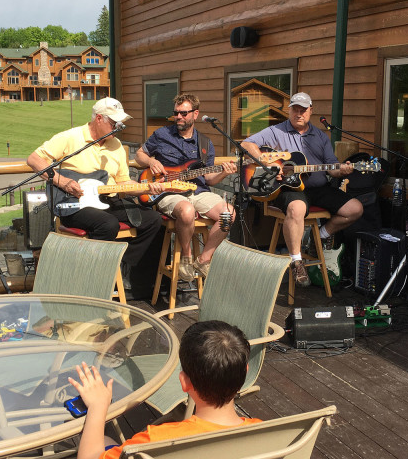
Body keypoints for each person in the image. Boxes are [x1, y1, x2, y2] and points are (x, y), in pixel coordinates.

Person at [69, 320, 260, 459]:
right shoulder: (263, 433)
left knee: (104, 439)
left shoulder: (156, 441)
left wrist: (97, 407)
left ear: (184, 382)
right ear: (245, 373)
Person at [27, 97, 163, 279]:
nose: (118, 128)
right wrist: (62, 181)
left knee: (154, 219)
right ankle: (91, 276)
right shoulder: (71, 137)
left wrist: (147, 188)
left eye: (120, 123)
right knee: (108, 224)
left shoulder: (116, 145)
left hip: (109, 201)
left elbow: (123, 183)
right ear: (99, 118)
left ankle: (127, 274)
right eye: (114, 123)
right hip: (76, 203)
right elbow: (34, 159)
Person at [240, 92, 363, 286]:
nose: (299, 113)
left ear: (311, 111)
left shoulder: (321, 136)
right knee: (296, 208)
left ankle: (319, 237)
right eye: (295, 109)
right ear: (289, 110)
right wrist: (267, 163)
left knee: (355, 208)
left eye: (303, 110)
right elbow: (246, 144)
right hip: (288, 189)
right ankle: (296, 261)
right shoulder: (276, 131)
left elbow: (331, 167)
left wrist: (343, 170)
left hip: (318, 188)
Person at [135, 93, 236, 281]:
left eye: (183, 113)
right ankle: (186, 258)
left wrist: (224, 172)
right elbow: (138, 155)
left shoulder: (205, 143)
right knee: (187, 211)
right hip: (168, 190)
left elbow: (210, 179)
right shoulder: (162, 134)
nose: (178, 117)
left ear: (195, 114)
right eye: (176, 113)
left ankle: (204, 259)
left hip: (197, 191)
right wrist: (150, 161)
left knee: (228, 213)